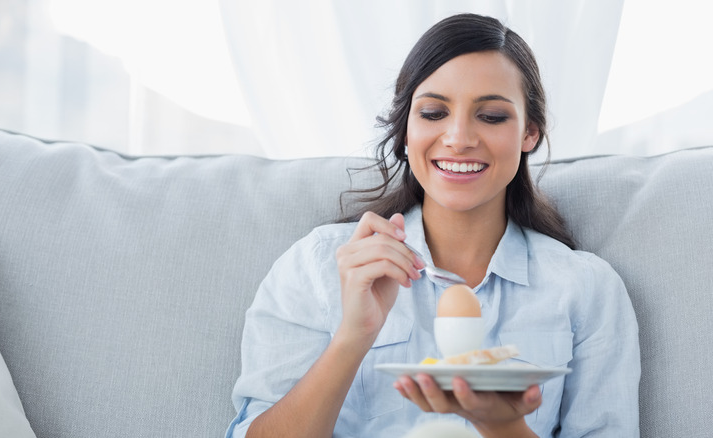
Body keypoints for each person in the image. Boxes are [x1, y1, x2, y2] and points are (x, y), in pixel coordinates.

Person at [226, 13, 640, 438]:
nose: (459, 137)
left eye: (492, 116)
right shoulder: (320, 266)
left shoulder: (586, 289)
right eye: (433, 112)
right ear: (406, 130)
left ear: (529, 133)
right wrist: (354, 336)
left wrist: (502, 424)